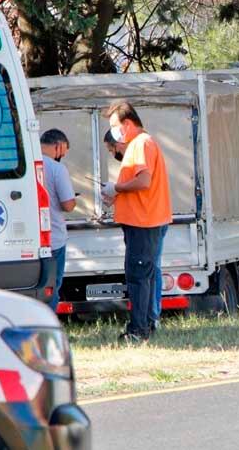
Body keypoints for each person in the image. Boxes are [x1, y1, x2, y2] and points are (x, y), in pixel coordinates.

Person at [101, 100, 171, 342]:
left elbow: (143, 182)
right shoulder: (141, 144)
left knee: (138, 277)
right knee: (145, 276)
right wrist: (117, 193)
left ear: (127, 123)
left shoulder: (140, 144)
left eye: (114, 126)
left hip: (144, 221)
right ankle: (147, 325)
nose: (113, 132)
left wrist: (116, 187)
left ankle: (138, 330)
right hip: (144, 220)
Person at [38, 129, 76, 311]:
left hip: (29, 240)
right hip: (54, 239)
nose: (63, 155)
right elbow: (68, 204)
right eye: (64, 151)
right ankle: (49, 324)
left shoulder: (26, 163)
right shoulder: (57, 168)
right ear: (58, 146)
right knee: (52, 287)